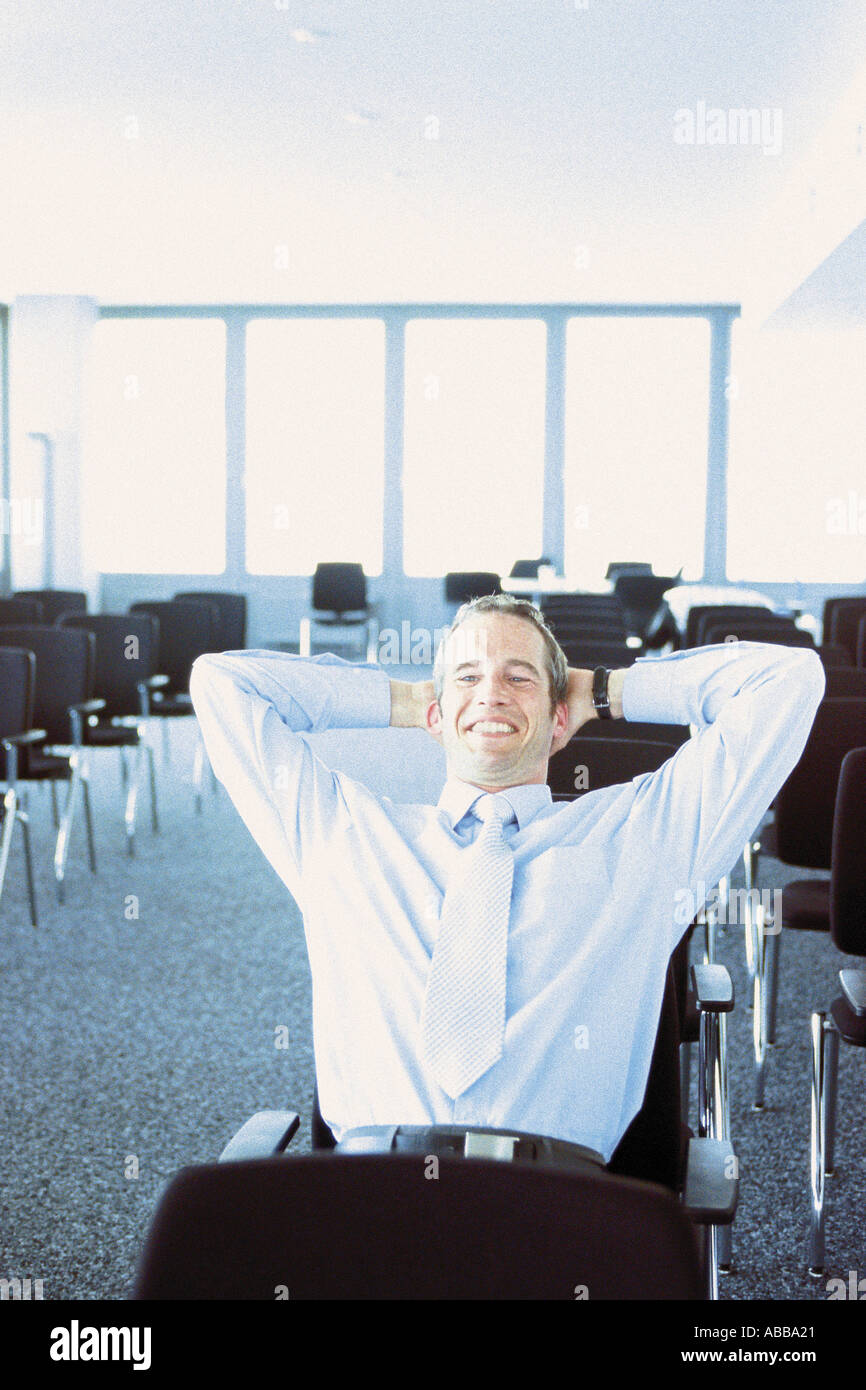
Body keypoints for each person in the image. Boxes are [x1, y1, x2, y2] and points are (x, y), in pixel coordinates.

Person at [189, 595, 824, 1165]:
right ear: (435, 717)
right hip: (374, 1201)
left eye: (519, 678)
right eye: (468, 677)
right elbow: (221, 683)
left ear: (560, 718)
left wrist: (604, 690)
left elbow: (788, 679)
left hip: (561, 1214)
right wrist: (411, 700)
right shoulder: (343, 835)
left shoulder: (643, 839)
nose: (491, 692)